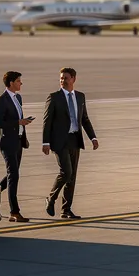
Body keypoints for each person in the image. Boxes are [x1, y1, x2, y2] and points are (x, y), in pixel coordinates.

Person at [41, 67, 99, 219]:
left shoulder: (80, 97)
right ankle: (51, 198)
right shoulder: (54, 97)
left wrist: (93, 137)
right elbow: (47, 121)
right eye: (61, 78)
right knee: (66, 172)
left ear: (73, 79)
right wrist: (45, 142)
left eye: (65, 78)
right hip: (59, 141)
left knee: (72, 177)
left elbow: (84, 119)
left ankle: (66, 210)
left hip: (75, 139)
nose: (63, 81)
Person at [0, 71, 33, 222]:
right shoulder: (1, 100)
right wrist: (18, 122)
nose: (20, 83)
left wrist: (23, 127)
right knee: (14, 175)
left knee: (12, 174)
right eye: (18, 81)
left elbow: (18, 119)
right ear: (10, 83)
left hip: (18, 141)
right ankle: (14, 212)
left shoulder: (18, 98)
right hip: (7, 142)